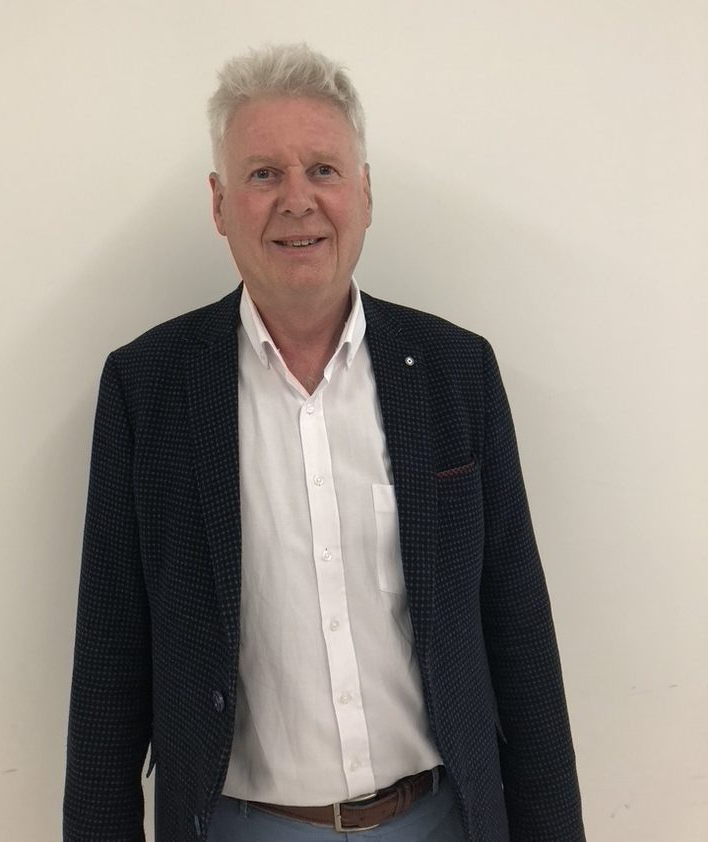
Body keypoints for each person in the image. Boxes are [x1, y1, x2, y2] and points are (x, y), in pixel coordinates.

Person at [64, 44, 585, 842]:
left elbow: (519, 637)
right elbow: (110, 667)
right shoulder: (149, 389)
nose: (297, 200)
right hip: (237, 826)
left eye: (323, 170)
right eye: (263, 174)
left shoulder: (455, 373)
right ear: (219, 204)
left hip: (441, 819)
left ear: (365, 194)